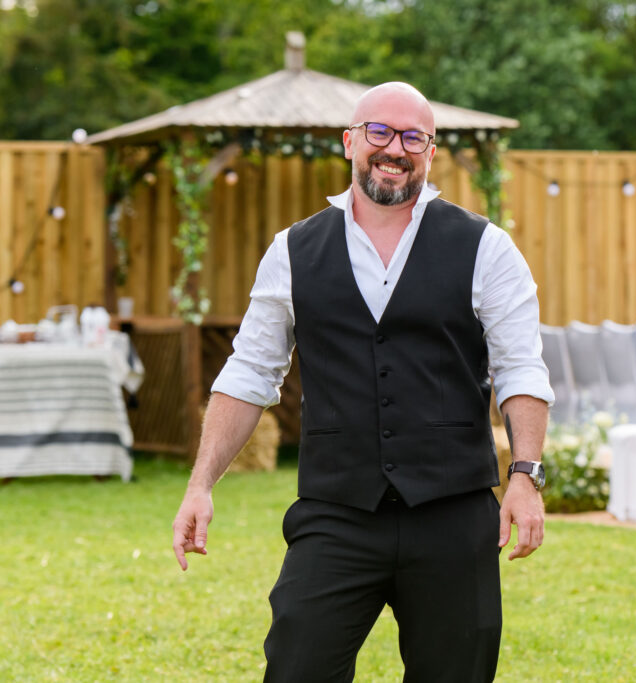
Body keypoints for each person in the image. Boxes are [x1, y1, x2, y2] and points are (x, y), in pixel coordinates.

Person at [171, 81, 554, 682]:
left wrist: (525, 476)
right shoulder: (292, 251)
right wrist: (200, 484)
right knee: (296, 668)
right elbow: (248, 373)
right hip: (337, 512)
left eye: (412, 137)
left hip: (452, 514)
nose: (394, 148)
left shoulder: (486, 248)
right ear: (350, 141)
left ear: (431, 151)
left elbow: (521, 368)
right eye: (379, 132)